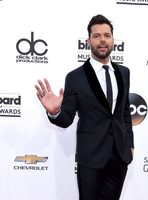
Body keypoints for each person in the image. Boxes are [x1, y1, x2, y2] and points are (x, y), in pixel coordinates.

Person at [35, 14, 134, 200]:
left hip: (120, 157)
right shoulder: (75, 77)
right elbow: (66, 120)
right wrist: (55, 112)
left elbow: (125, 112)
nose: (102, 40)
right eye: (96, 36)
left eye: (107, 35)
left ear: (113, 39)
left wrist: (130, 144)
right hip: (91, 158)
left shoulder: (124, 73)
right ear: (88, 41)